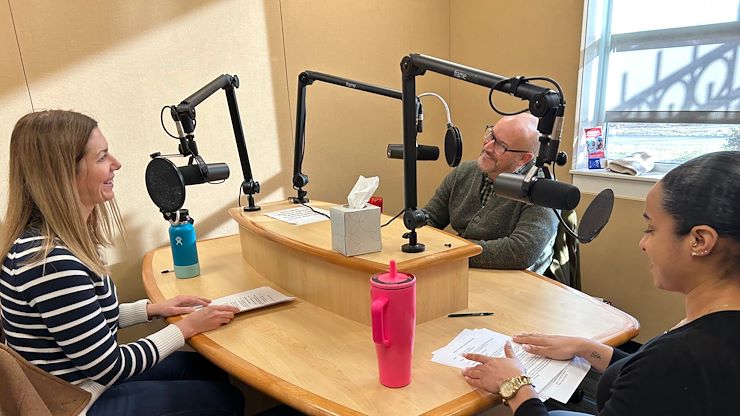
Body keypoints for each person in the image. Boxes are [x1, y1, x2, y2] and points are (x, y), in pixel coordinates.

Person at [0, 110, 245, 415]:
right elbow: (109, 366)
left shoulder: (56, 241)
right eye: (102, 157)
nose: (116, 163)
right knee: (224, 400)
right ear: (64, 174)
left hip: (85, 380)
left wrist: (151, 310)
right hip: (79, 401)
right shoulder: (50, 264)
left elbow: (85, 322)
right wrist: (186, 328)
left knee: (206, 368)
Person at [461, 151, 740, 416]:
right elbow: (651, 379)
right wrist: (586, 348)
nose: (643, 244)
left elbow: (659, 375)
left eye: (651, 229)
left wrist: (516, 387)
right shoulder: (708, 332)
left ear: (700, 241)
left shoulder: (676, 360)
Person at [423, 112, 558, 273]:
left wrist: (450, 251)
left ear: (524, 159)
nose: (487, 147)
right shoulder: (464, 172)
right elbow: (428, 219)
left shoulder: (542, 191)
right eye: (491, 135)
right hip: (464, 270)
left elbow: (520, 252)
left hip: (515, 284)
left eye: (501, 146)